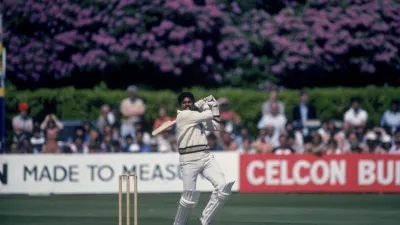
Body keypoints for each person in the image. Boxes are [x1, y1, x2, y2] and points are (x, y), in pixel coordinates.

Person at [173, 92, 235, 225]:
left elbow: (216, 125)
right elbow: (208, 114)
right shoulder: (183, 115)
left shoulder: (196, 117)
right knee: (188, 198)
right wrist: (207, 106)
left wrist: (214, 106)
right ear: (181, 105)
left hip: (206, 157)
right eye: (184, 102)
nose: (187, 104)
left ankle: (205, 219)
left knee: (223, 189)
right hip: (189, 160)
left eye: (189, 102)